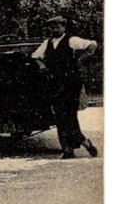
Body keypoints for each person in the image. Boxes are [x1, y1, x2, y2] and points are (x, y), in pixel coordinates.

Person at [32, 14, 100, 159]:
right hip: (55, 84)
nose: (55, 29)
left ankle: (73, 147)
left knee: (69, 115)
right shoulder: (47, 43)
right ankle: (75, 146)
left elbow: (92, 43)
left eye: (58, 26)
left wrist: (83, 58)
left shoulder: (72, 40)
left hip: (71, 83)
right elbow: (35, 56)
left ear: (64, 27)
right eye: (52, 27)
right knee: (60, 117)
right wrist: (42, 65)